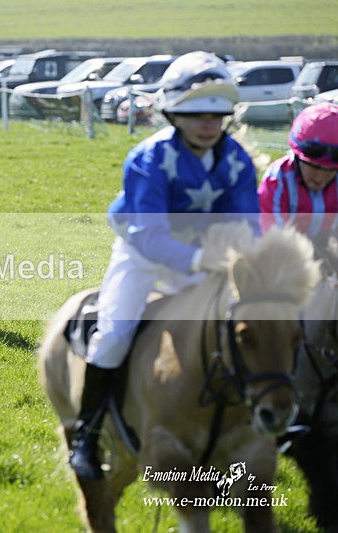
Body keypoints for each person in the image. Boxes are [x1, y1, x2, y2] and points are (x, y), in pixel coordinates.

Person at [67, 51, 259, 480]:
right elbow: (150, 237)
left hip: (204, 260)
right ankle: (87, 436)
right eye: (196, 114)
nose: (209, 124)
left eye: (218, 114)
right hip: (142, 256)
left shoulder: (237, 161)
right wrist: (199, 259)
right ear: (172, 111)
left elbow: (251, 228)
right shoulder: (147, 159)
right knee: (115, 336)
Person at [259, 102, 338, 237]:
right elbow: (275, 240)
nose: (320, 177)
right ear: (297, 156)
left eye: (330, 170)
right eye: (313, 166)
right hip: (289, 251)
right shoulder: (277, 180)